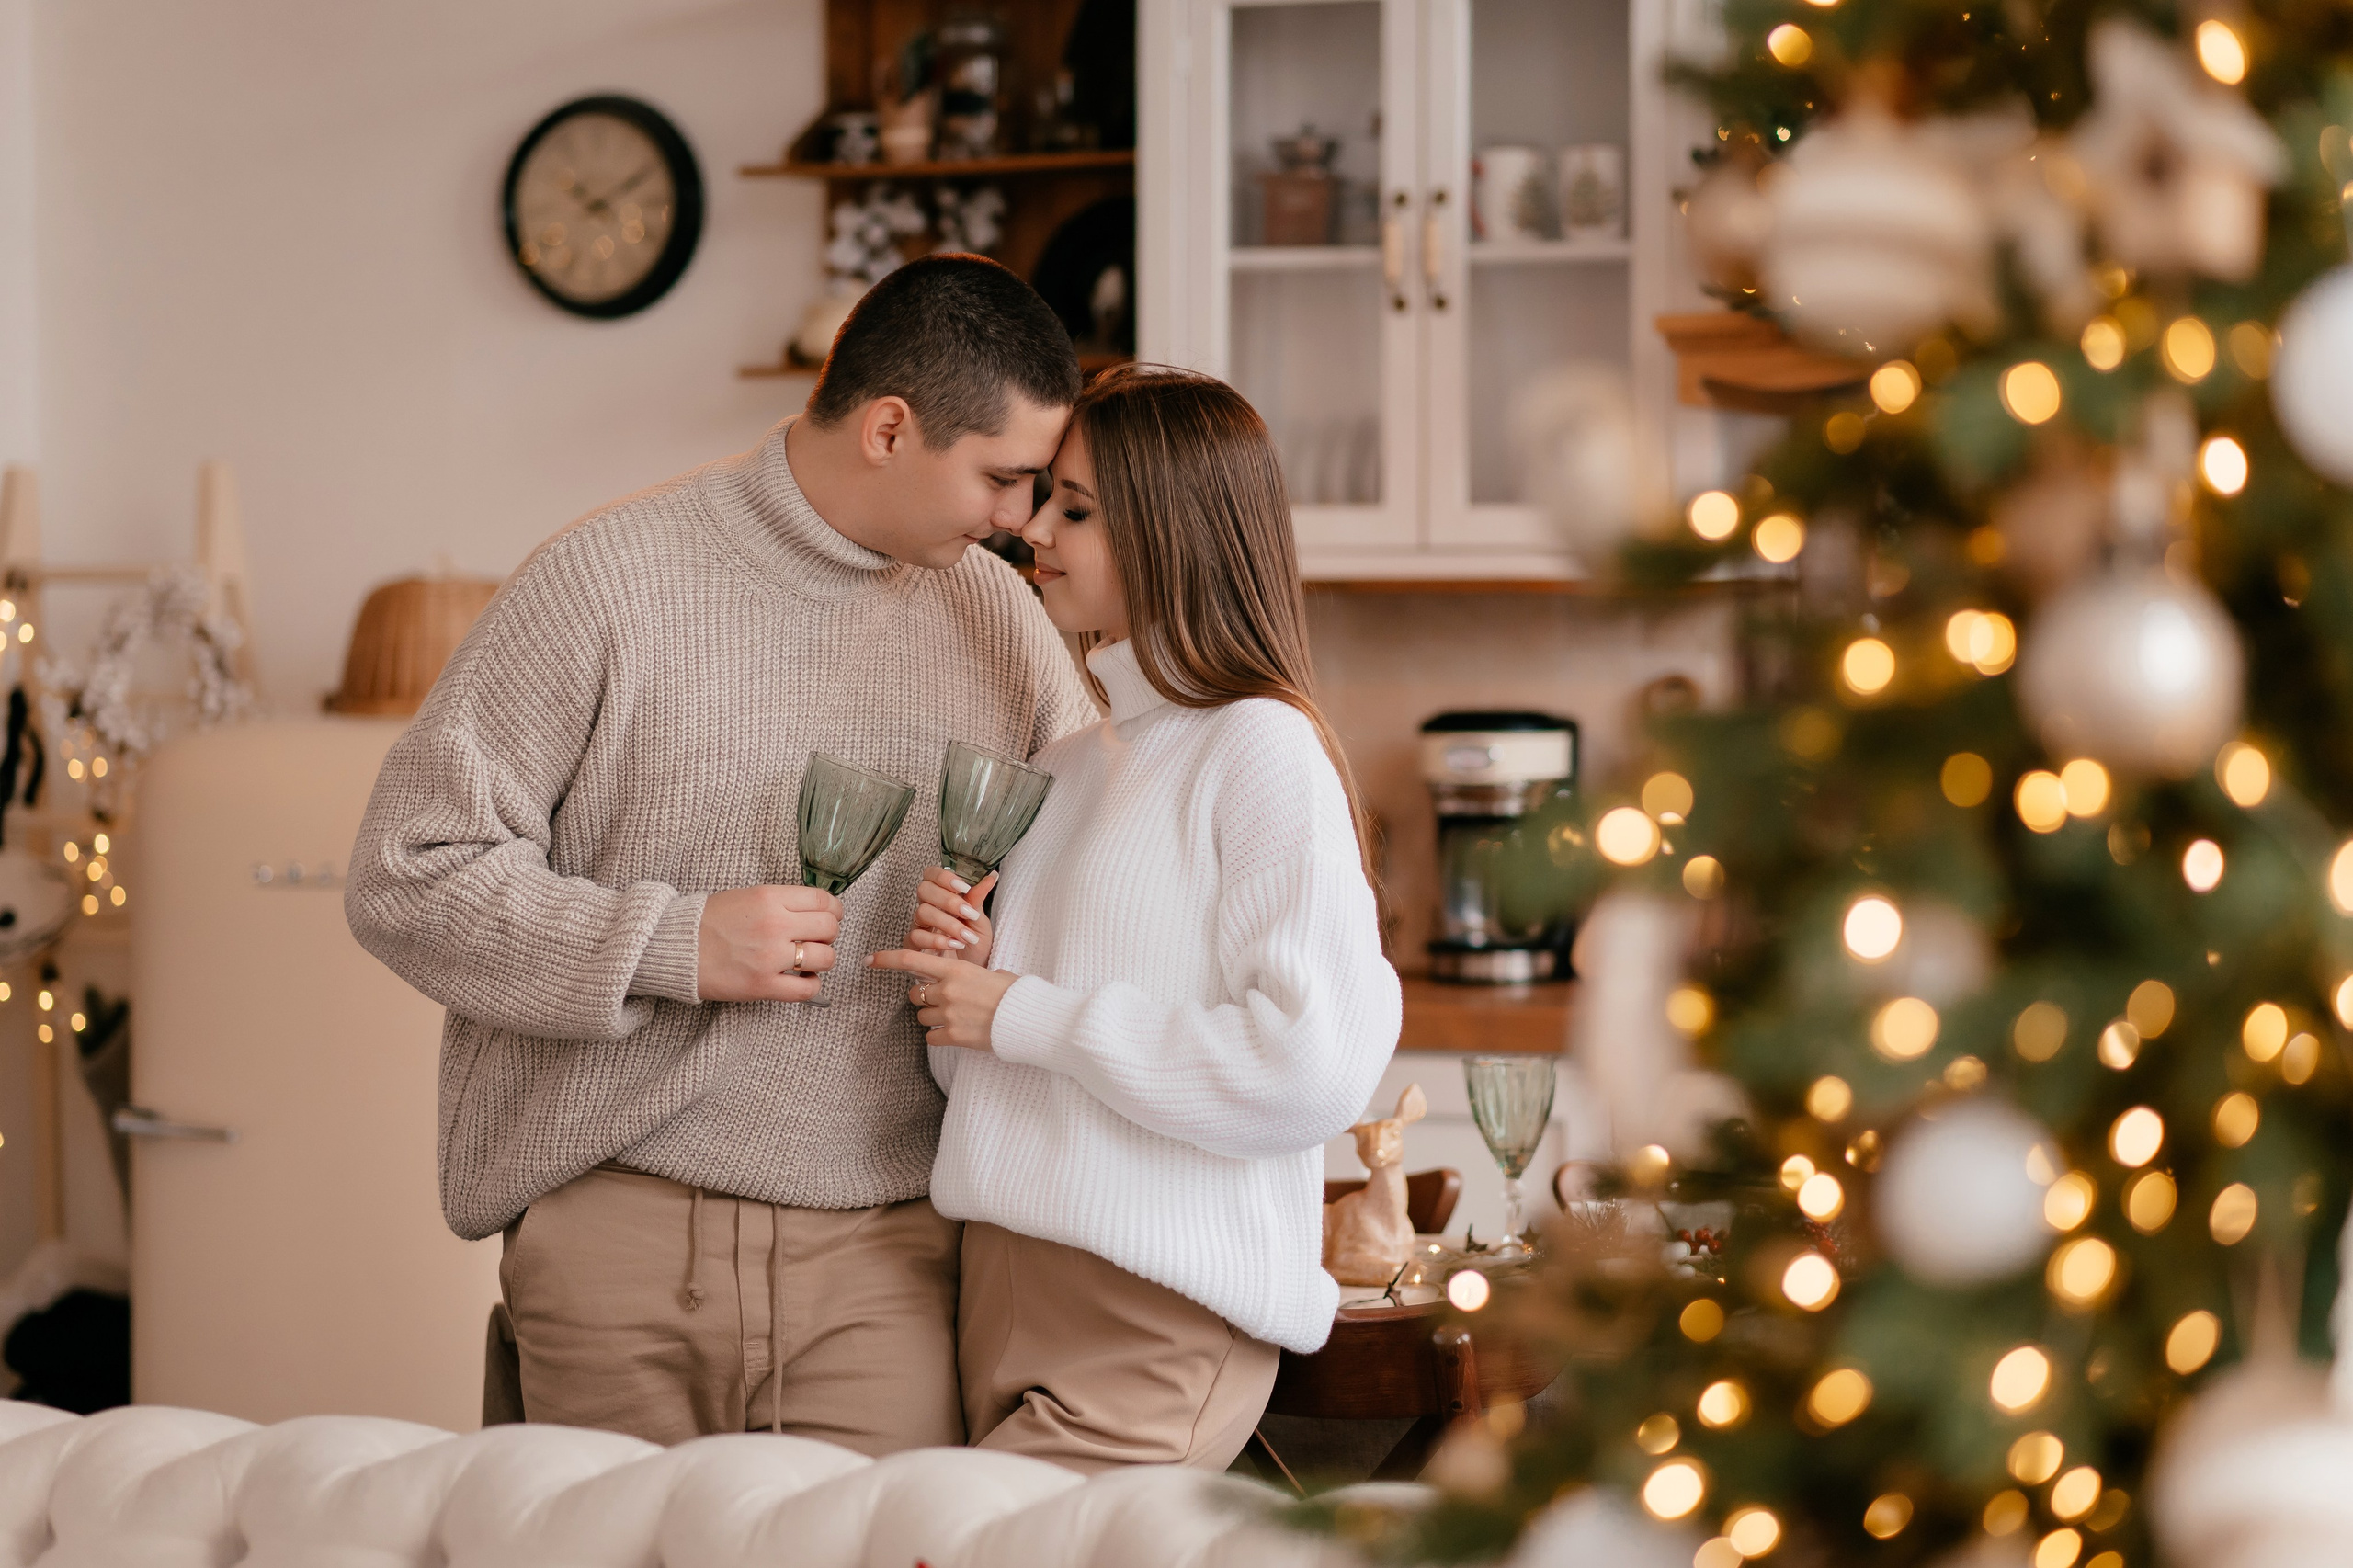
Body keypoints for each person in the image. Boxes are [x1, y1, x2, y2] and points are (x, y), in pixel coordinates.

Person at [344, 256, 1100, 1452]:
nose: (1021, 521)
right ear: (892, 429)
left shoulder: (1000, 621)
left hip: (890, 1257)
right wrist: (669, 941)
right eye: (1005, 479)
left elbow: (1090, 885)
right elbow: (407, 869)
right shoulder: (606, 580)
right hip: (618, 1242)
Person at [868, 365, 1401, 1472]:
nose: (1034, 532)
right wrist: (966, 989)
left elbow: (1310, 1065)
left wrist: (1022, 1009)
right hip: (1002, 1284)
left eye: (1077, 507)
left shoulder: (1257, 746)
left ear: (1172, 530)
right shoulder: (1068, 762)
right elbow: (1005, 1076)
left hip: (1150, 1310)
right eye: (1043, 499)